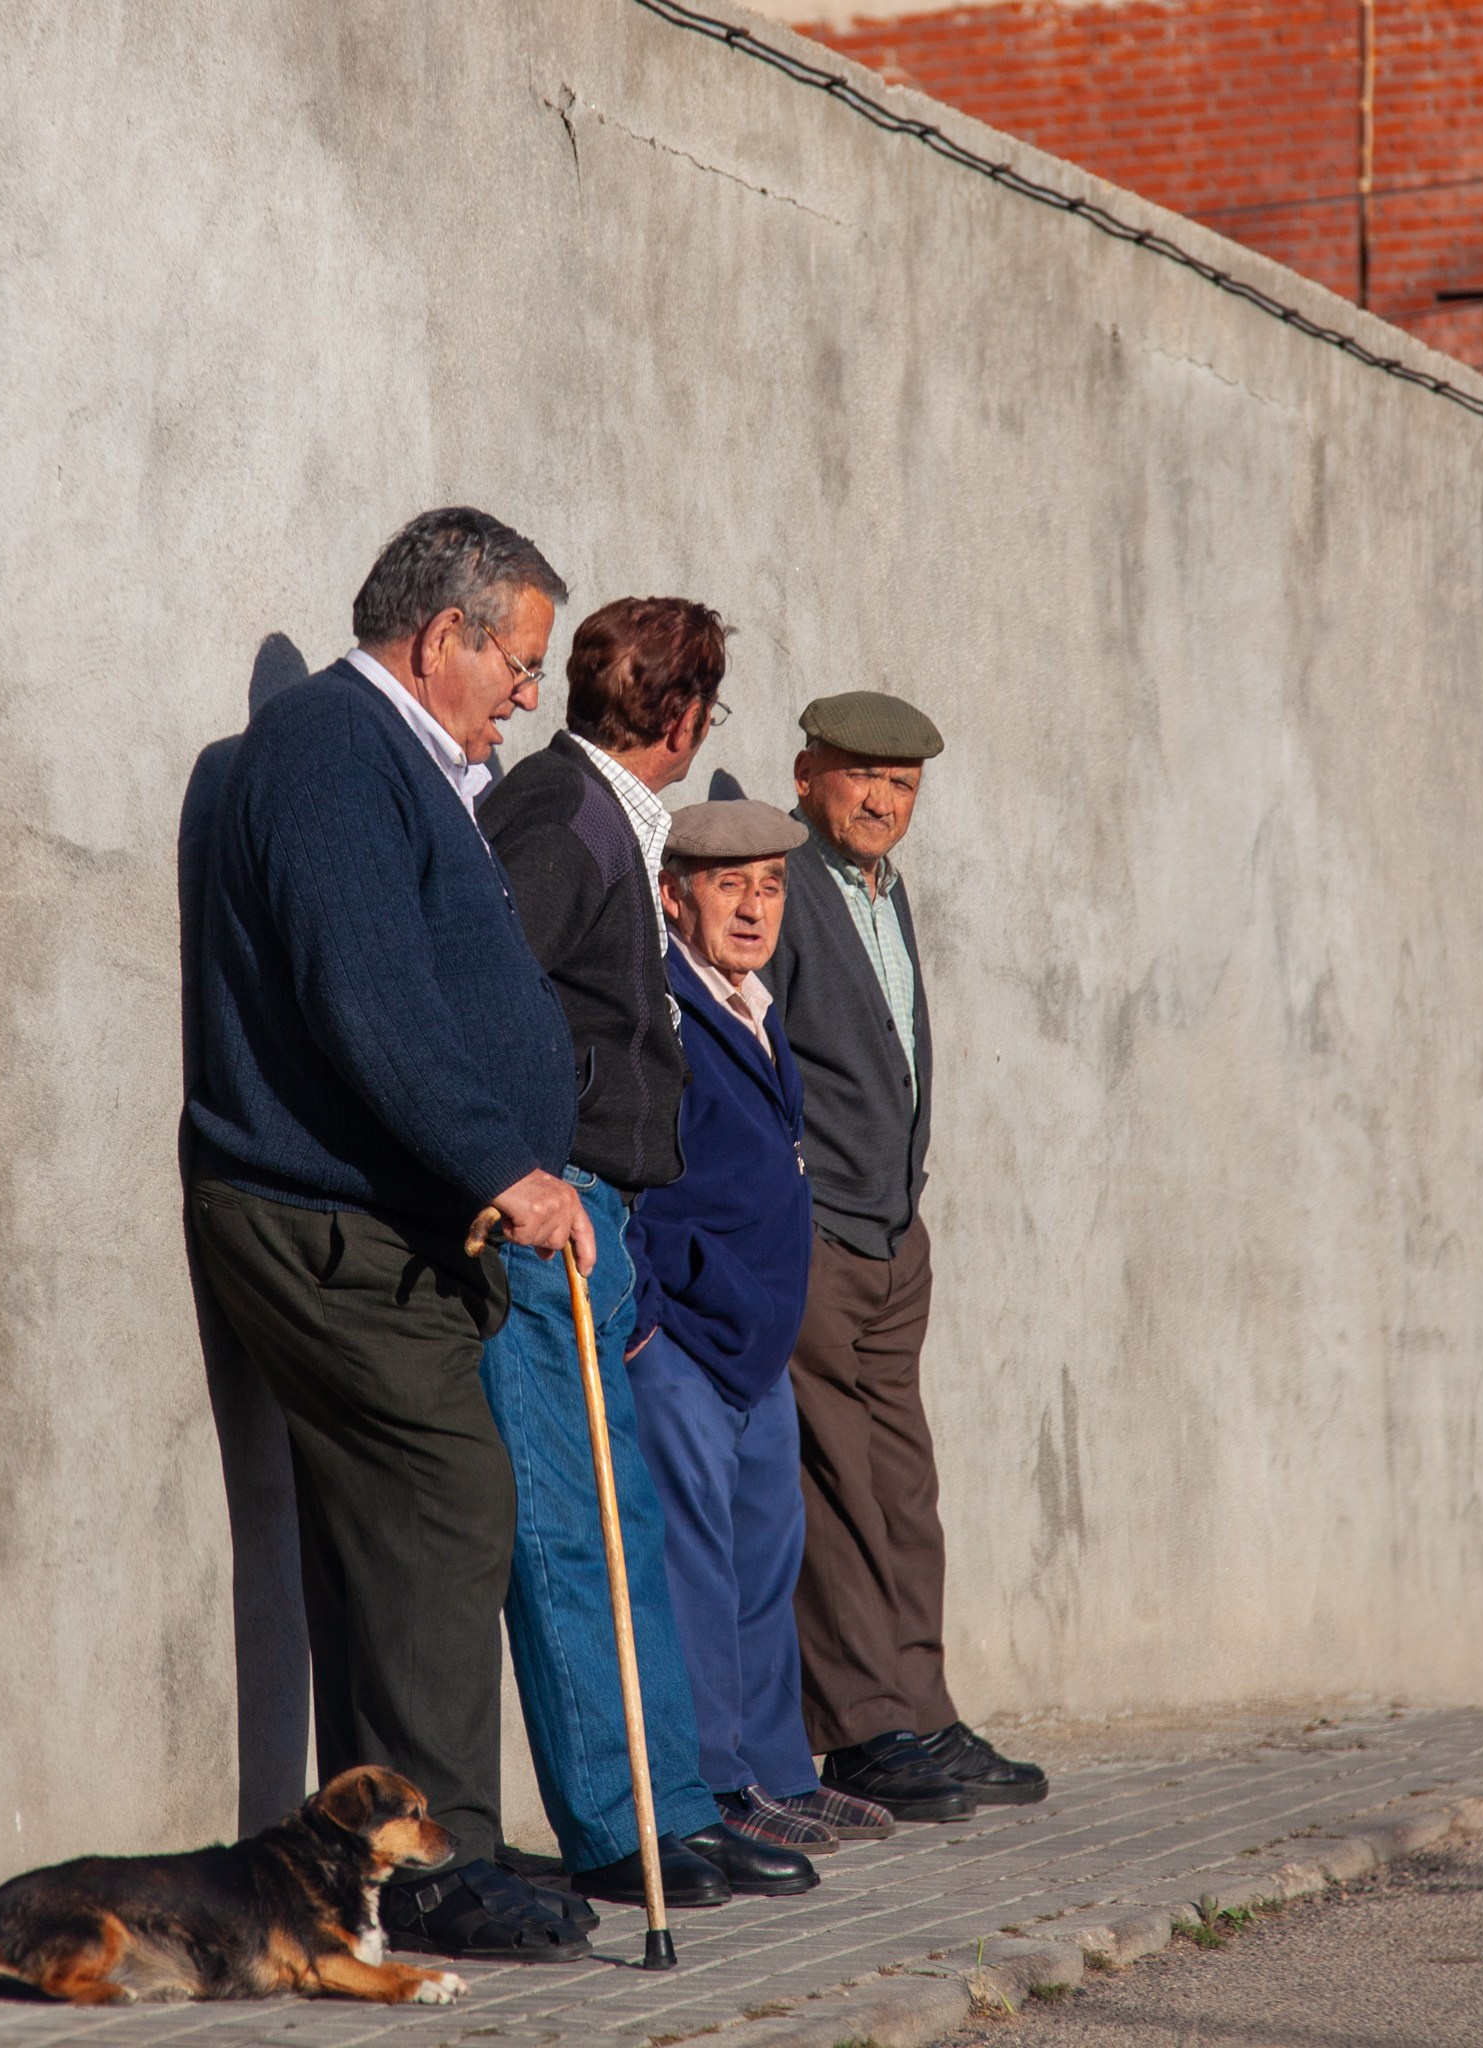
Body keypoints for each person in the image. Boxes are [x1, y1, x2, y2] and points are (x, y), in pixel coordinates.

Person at [186, 507, 601, 1964]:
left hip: (387, 1225)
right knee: (443, 1497)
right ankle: (429, 1870)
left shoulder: (399, 765)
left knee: (411, 1518)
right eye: (524, 661)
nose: (531, 693)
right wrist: (503, 1161)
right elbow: (365, 996)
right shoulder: (328, 752)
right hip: (326, 1220)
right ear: (446, 638)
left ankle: (399, 1849)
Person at [479, 602, 817, 1906]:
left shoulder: (606, 812)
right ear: (685, 717)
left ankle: (675, 1806)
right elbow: (481, 989)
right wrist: (536, 1163)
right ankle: (623, 1831)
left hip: (595, 1209)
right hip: (550, 1206)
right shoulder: (563, 817)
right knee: (571, 1524)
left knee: (624, 1518)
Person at [761, 692, 1049, 1819]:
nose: (884, 800)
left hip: (890, 1232)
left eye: (905, 784)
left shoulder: (884, 888)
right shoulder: (783, 885)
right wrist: (799, 1208)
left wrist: (903, 1204)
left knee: (902, 1486)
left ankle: (921, 1705)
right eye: (862, 775)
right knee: (832, 1481)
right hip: (821, 1230)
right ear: (804, 772)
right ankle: (864, 1726)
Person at [625, 802, 899, 1858]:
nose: (752, 905)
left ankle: (780, 1769)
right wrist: (648, 1324)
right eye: (727, 883)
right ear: (673, 894)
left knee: (764, 1551)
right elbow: (629, 1173)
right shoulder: (665, 1009)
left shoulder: (753, 1000)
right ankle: (718, 1782)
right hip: (686, 1338)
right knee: (698, 1559)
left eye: (770, 885)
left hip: (756, 1341)